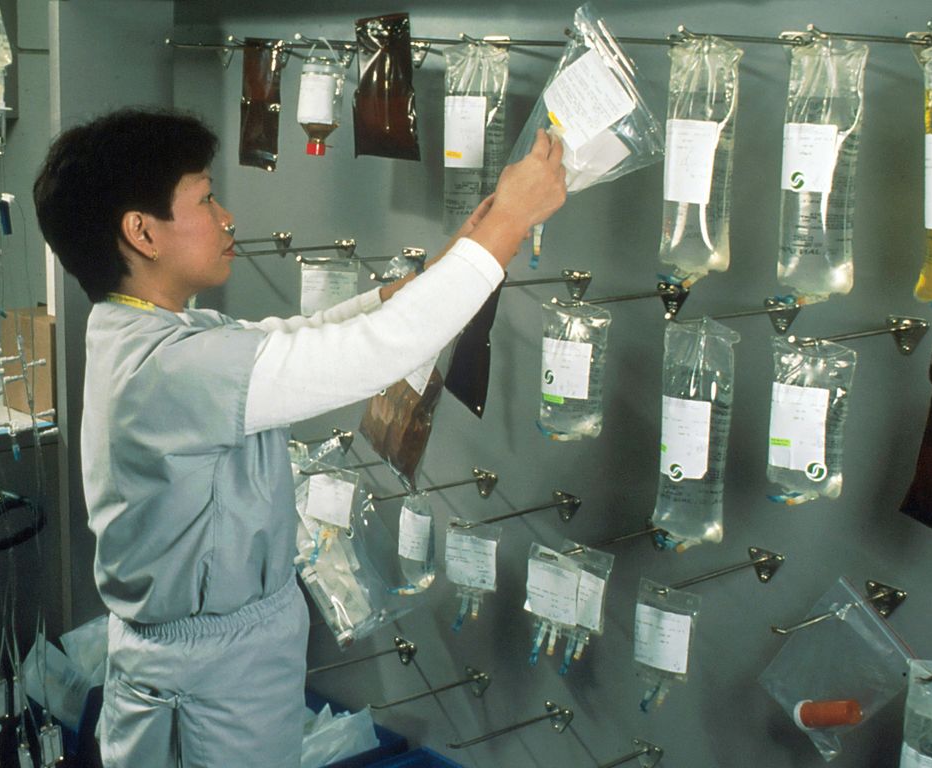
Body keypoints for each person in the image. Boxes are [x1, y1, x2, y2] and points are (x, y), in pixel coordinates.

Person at [32, 107, 565, 768]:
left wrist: (438, 272)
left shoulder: (164, 331)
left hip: (235, 662)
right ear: (141, 232)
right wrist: (510, 225)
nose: (227, 217)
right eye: (205, 198)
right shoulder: (166, 369)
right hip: (208, 684)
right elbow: (364, 357)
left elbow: (292, 338)